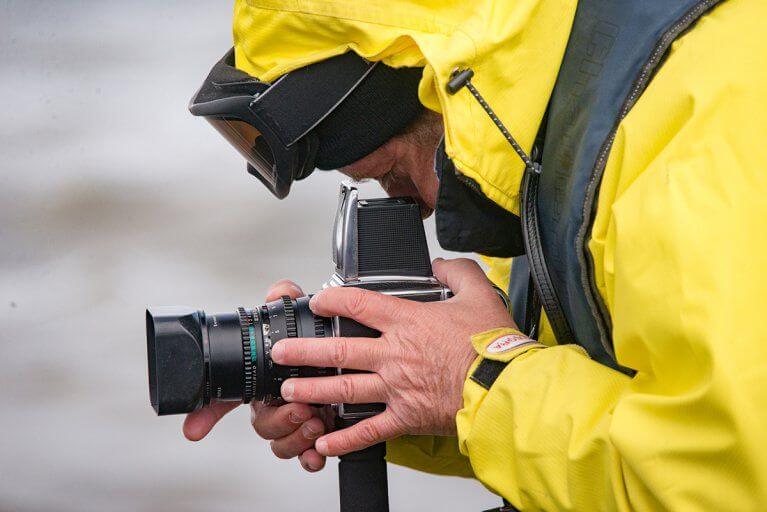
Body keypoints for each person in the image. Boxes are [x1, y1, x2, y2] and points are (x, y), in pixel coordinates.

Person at [183, 0, 767, 509]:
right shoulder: (544, 121)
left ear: (428, 87)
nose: (423, 211)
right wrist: (384, 389)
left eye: (392, 176)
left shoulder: (705, 122)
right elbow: (586, 392)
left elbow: (723, 483)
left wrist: (471, 380)